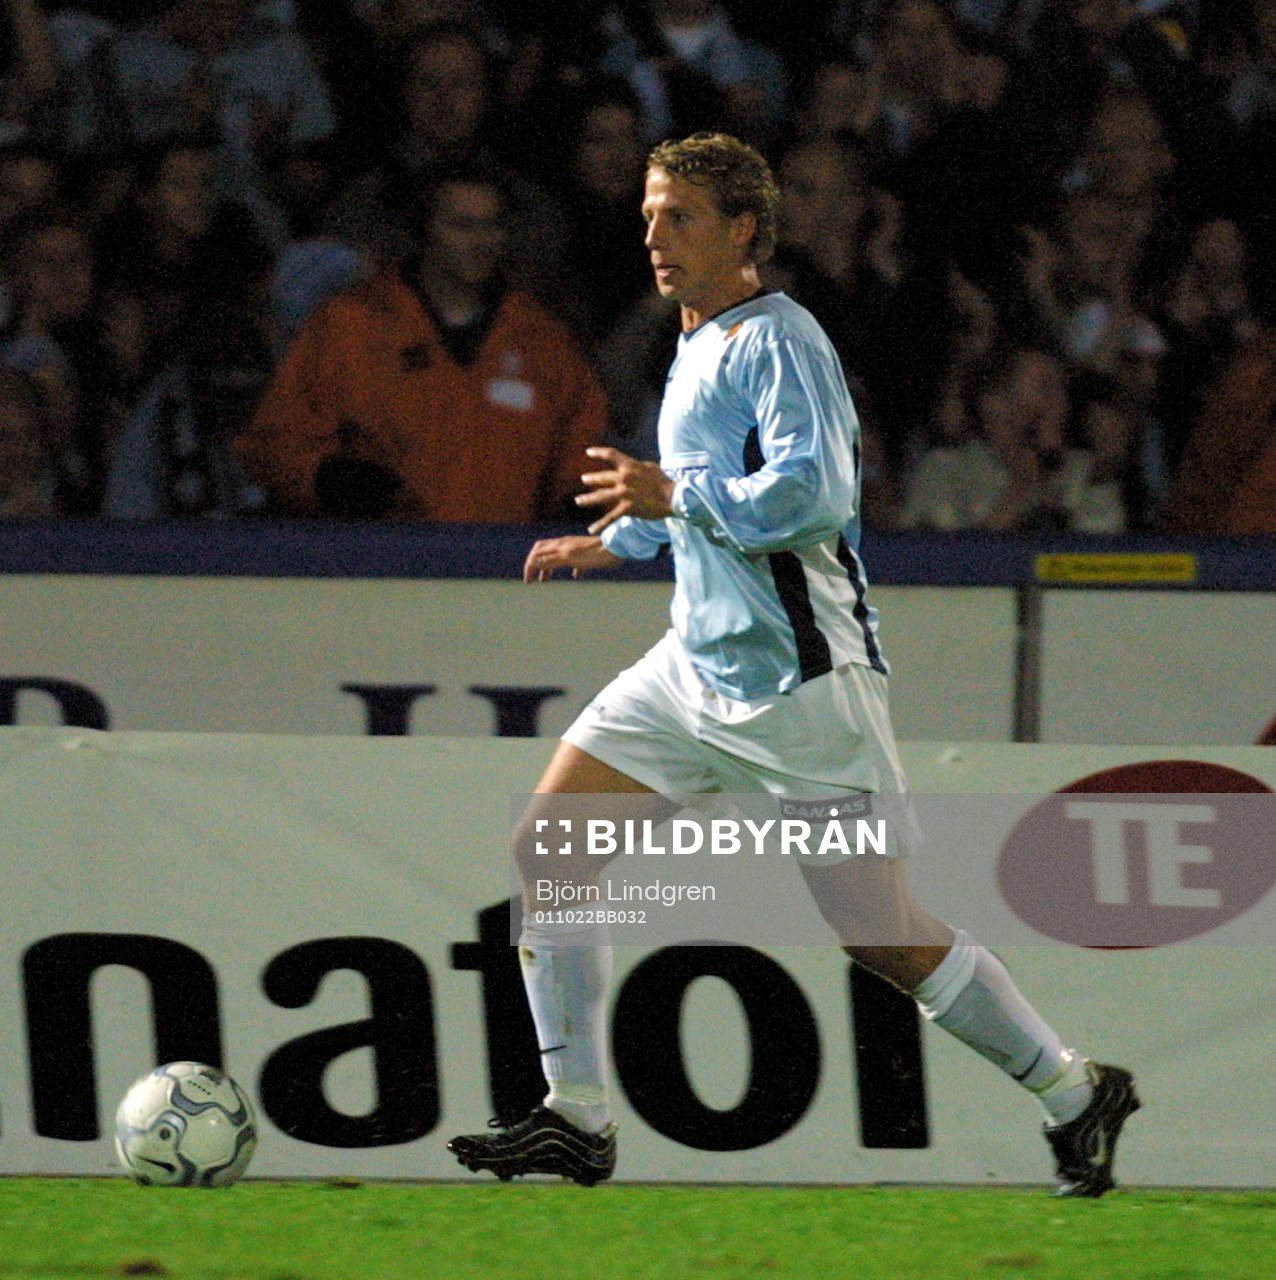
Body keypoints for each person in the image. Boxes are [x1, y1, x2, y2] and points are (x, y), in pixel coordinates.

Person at [447, 132, 1140, 1195]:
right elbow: (694, 487)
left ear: (742, 231)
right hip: (692, 672)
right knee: (552, 850)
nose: (653, 236)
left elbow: (815, 496)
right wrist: (626, 538)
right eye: (646, 215)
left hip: (804, 686)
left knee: (879, 932)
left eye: (678, 216)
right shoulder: (696, 339)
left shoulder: (781, 337)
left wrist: (671, 503)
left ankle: (1071, 1087)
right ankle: (575, 1116)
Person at [233, 166, 607, 522]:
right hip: (385, 569)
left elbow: (583, 455)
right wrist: (329, 480)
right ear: (423, 229)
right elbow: (276, 442)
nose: (481, 241)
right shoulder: (351, 326)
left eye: (492, 226)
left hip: (504, 570)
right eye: (462, 226)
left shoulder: (544, 341)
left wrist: (583, 503)